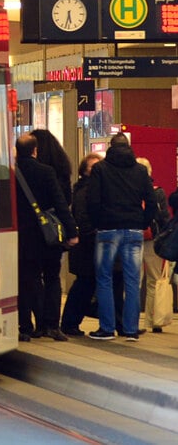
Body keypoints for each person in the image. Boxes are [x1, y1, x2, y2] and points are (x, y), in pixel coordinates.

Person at [86, 132, 158, 341]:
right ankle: (131, 330)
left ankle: (107, 328)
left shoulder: (100, 169)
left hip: (107, 230)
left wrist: (99, 222)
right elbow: (151, 202)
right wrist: (141, 222)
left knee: (104, 278)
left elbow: (93, 201)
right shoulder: (140, 171)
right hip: (134, 230)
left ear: (110, 146)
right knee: (132, 281)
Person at [14, 132, 78, 342]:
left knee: (26, 279)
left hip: (22, 236)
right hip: (48, 235)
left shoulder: (9, 173)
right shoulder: (47, 172)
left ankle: (27, 326)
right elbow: (60, 203)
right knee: (52, 278)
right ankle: (51, 325)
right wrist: (71, 232)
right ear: (35, 150)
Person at [61, 152, 116, 336]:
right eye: (93, 167)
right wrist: (94, 235)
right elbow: (83, 218)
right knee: (84, 284)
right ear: (84, 171)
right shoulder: (86, 190)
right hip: (87, 245)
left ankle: (71, 322)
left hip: (87, 245)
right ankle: (70, 323)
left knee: (86, 284)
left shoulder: (85, 188)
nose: (97, 170)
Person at [136, 157, 172, 333]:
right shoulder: (158, 192)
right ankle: (151, 322)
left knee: (133, 282)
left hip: (133, 238)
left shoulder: (129, 189)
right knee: (153, 281)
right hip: (152, 241)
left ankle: (130, 321)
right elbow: (164, 217)